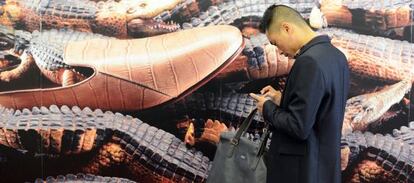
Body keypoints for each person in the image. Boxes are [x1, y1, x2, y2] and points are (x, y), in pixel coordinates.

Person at [249, 4, 349, 183]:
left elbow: (298, 127)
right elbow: (322, 110)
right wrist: (282, 100)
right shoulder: (337, 57)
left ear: (286, 28)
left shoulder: (308, 62)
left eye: (275, 43)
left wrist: (267, 108)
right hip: (324, 169)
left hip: (300, 172)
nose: (278, 50)